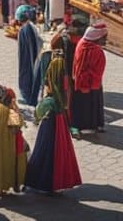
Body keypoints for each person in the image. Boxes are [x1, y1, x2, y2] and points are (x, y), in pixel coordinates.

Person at [24, 57, 83, 194]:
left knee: (44, 152)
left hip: (49, 125)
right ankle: (57, 183)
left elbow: (37, 114)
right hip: (60, 124)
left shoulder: (49, 101)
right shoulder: (63, 93)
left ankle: (41, 183)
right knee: (58, 153)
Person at [0, 87, 26, 195]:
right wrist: (16, 109)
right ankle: (5, 186)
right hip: (6, 146)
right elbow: (19, 125)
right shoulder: (10, 112)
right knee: (6, 164)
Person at [71, 22, 108, 134]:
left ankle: (84, 125)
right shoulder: (96, 50)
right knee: (91, 104)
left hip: (80, 80)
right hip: (90, 82)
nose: (105, 40)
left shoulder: (81, 44)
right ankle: (91, 125)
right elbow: (98, 68)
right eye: (103, 38)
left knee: (83, 104)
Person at [16, 5, 43, 106]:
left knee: (27, 75)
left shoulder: (25, 29)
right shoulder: (29, 27)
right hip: (29, 58)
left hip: (27, 59)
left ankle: (28, 97)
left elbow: (30, 48)